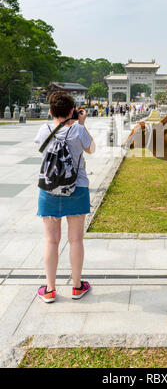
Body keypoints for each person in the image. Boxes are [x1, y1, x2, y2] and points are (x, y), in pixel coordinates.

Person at [34, 91, 95, 303]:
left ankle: (50, 290)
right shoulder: (78, 129)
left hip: (49, 189)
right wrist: (82, 122)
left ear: (50, 111)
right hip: (77, 187)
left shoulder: (44, 129)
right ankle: (77, 287)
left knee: (51, 240)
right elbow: (91, 149)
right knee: (75, 239)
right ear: (72, 111)